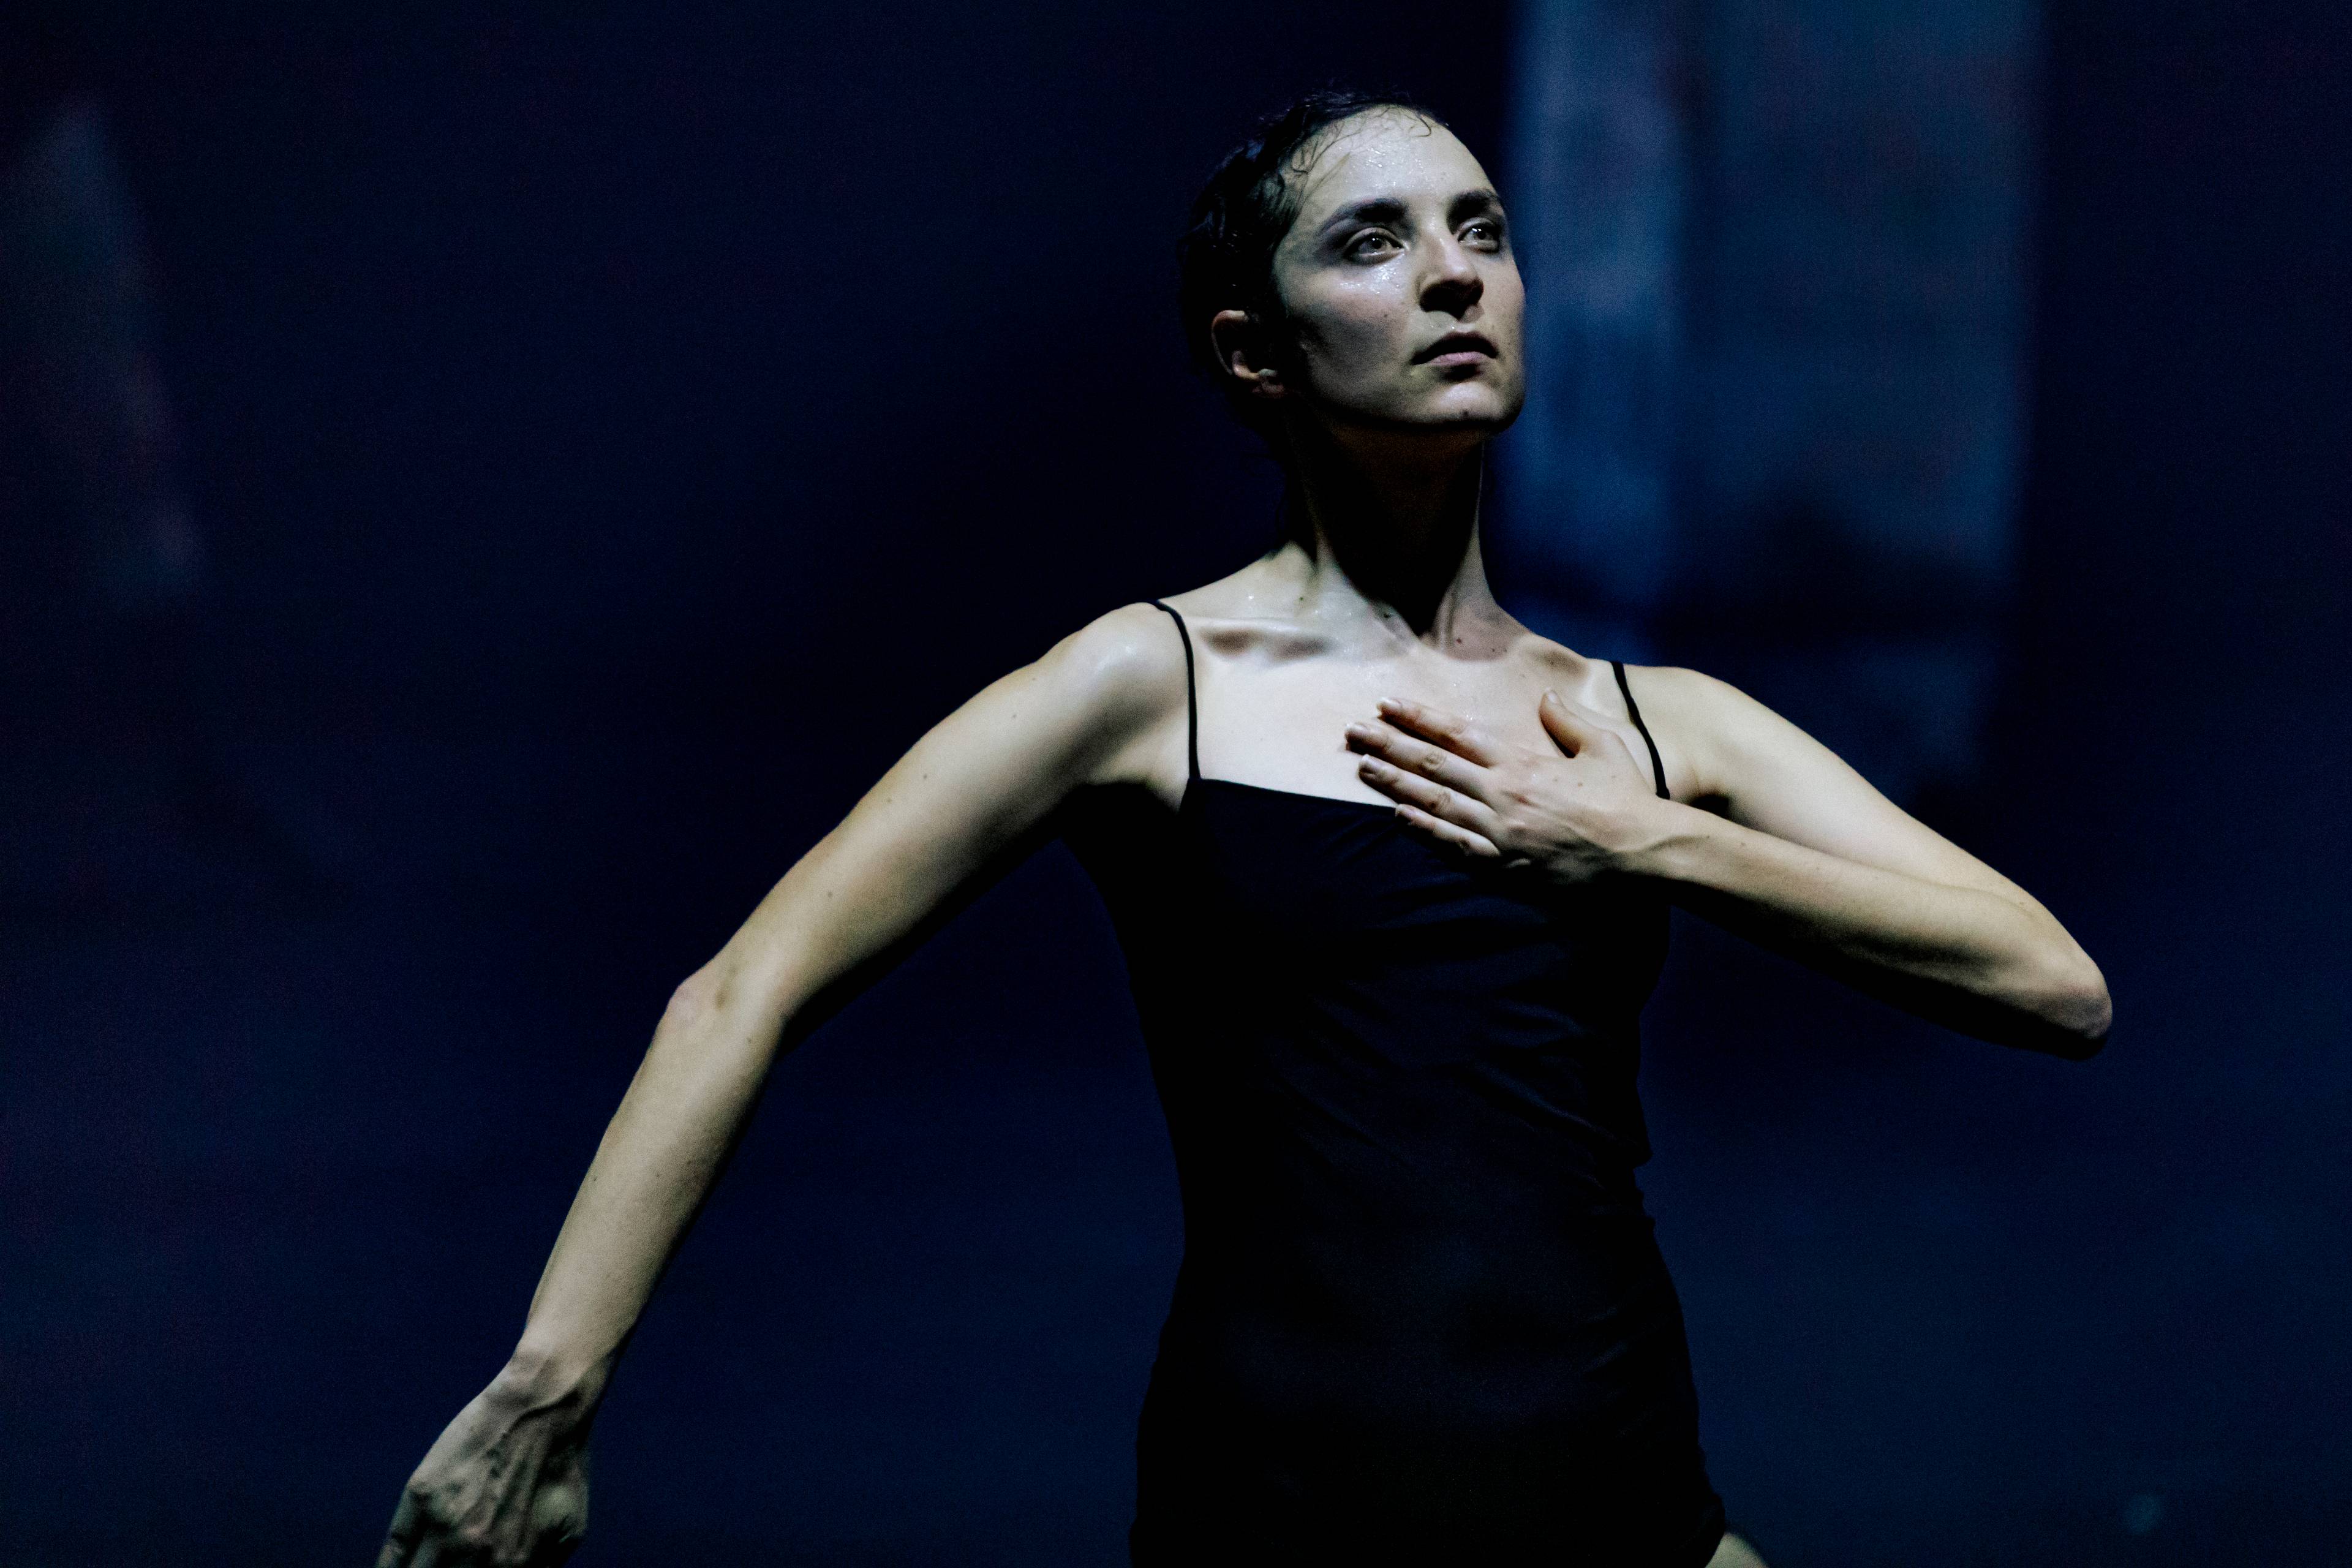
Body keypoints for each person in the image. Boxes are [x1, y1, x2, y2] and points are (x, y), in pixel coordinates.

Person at [375, 91, 2108, 1567]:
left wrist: (1647, 842)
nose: (1452, 274)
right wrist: (550, 1384)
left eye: (1482, 230)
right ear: (1253, 352)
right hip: (1277, 1510)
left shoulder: (1658, 725)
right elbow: (743, 990)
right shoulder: (1150, 683)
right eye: (1371, 242)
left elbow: (2054, 984)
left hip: (1619, 1504)